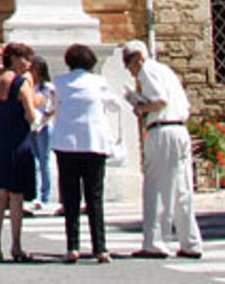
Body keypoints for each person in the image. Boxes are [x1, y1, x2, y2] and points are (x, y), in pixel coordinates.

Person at [123, 38, 204, 260]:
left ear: (139, 57)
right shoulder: (165, 70)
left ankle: (155, 242)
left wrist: (140, 107)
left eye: (129, 63)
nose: (130, 70)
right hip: (179, 130)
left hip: (162, 130)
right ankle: (190, 242)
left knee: (156, 187)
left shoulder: (147, 70)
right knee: (182, 189)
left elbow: (160, 100)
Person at [49, 42, 118, 263]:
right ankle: (100, 247)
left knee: (70, 198)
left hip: (67, 144)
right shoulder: (99, 82)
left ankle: (73, 246)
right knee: (94, 197)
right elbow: (113, 105)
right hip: (93, 143)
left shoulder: (59, 82)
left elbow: (55, 109)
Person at [0, 41, 39, 262]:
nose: (28, 63)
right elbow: (31, 116)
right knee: (16, 196)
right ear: (15, 59)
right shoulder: (21, 83)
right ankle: (16, 245)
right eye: (25, 58)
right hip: (17, 140)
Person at [26, 55, 56, 214]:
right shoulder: (30, 86)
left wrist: (42, 120)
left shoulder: (48, 87)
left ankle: (45, 195)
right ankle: (35, 194)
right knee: (34, 161)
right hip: (31, 125)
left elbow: (51, 108)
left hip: (44, 125)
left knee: (44, 160)